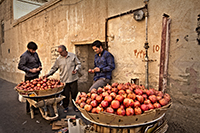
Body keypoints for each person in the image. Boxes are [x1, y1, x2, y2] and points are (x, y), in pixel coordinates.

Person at [44, 45, 81, 113]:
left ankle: (75, 106)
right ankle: (65, 107)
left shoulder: (73, 56)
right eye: (59, 52)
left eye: (61, 52)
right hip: (64, 80)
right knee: (65, 95)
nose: (60, 54)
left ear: (65, 51)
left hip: (73, 79)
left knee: (74, 94)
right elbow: (54, 68)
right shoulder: (58, 59)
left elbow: (78, 64)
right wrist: (48, 74)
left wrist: (76, 69)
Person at [18, 41, 42, 114]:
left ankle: (35, 106)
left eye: (35, 50)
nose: (34, 51)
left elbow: (39, 62)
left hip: (36, 76)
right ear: (28, 49)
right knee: (30, 93)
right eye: (33, 50)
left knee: (37, 93)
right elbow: (20, 66)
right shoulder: (24, 56)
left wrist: (39, 66)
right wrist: (30, 70)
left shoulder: (35, 54)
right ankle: (29, 108)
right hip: (29, 77)